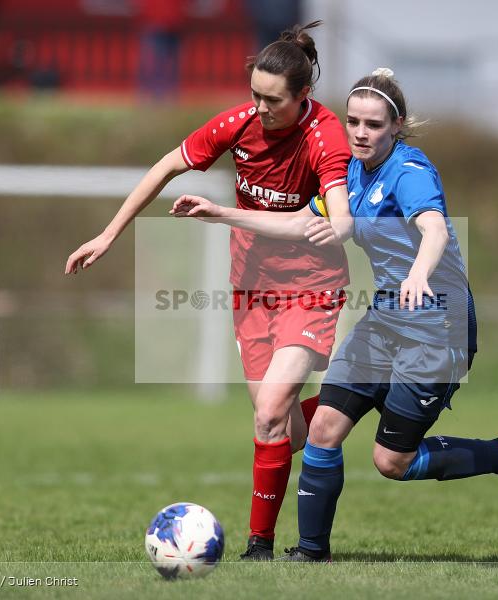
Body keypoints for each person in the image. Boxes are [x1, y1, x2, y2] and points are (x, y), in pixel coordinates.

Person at [173, 68, 498, 563]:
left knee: (392, 461)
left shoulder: (410, 172)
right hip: (387, 318)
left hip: (437, 326)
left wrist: (417, 275)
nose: (361, 133)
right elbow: (300, 224)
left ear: (397, 125)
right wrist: (222, 213)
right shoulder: (348, 172)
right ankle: (310, 553)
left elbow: (433, 230)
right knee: (322, 429)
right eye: (353, 122)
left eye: (373, 124)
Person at [65, 21, 353, 561]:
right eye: (255, 96)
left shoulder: (325, 137)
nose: (261, 109)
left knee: (268, 410)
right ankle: (347, 406)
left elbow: (340, 220)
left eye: (274, 101)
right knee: (282, 428)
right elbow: (168, 165)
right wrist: (108, 234)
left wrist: (323, 221)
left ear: (304, 96)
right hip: (251, 289)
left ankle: (259, 547)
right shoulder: (240, 122)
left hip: (311, 290)